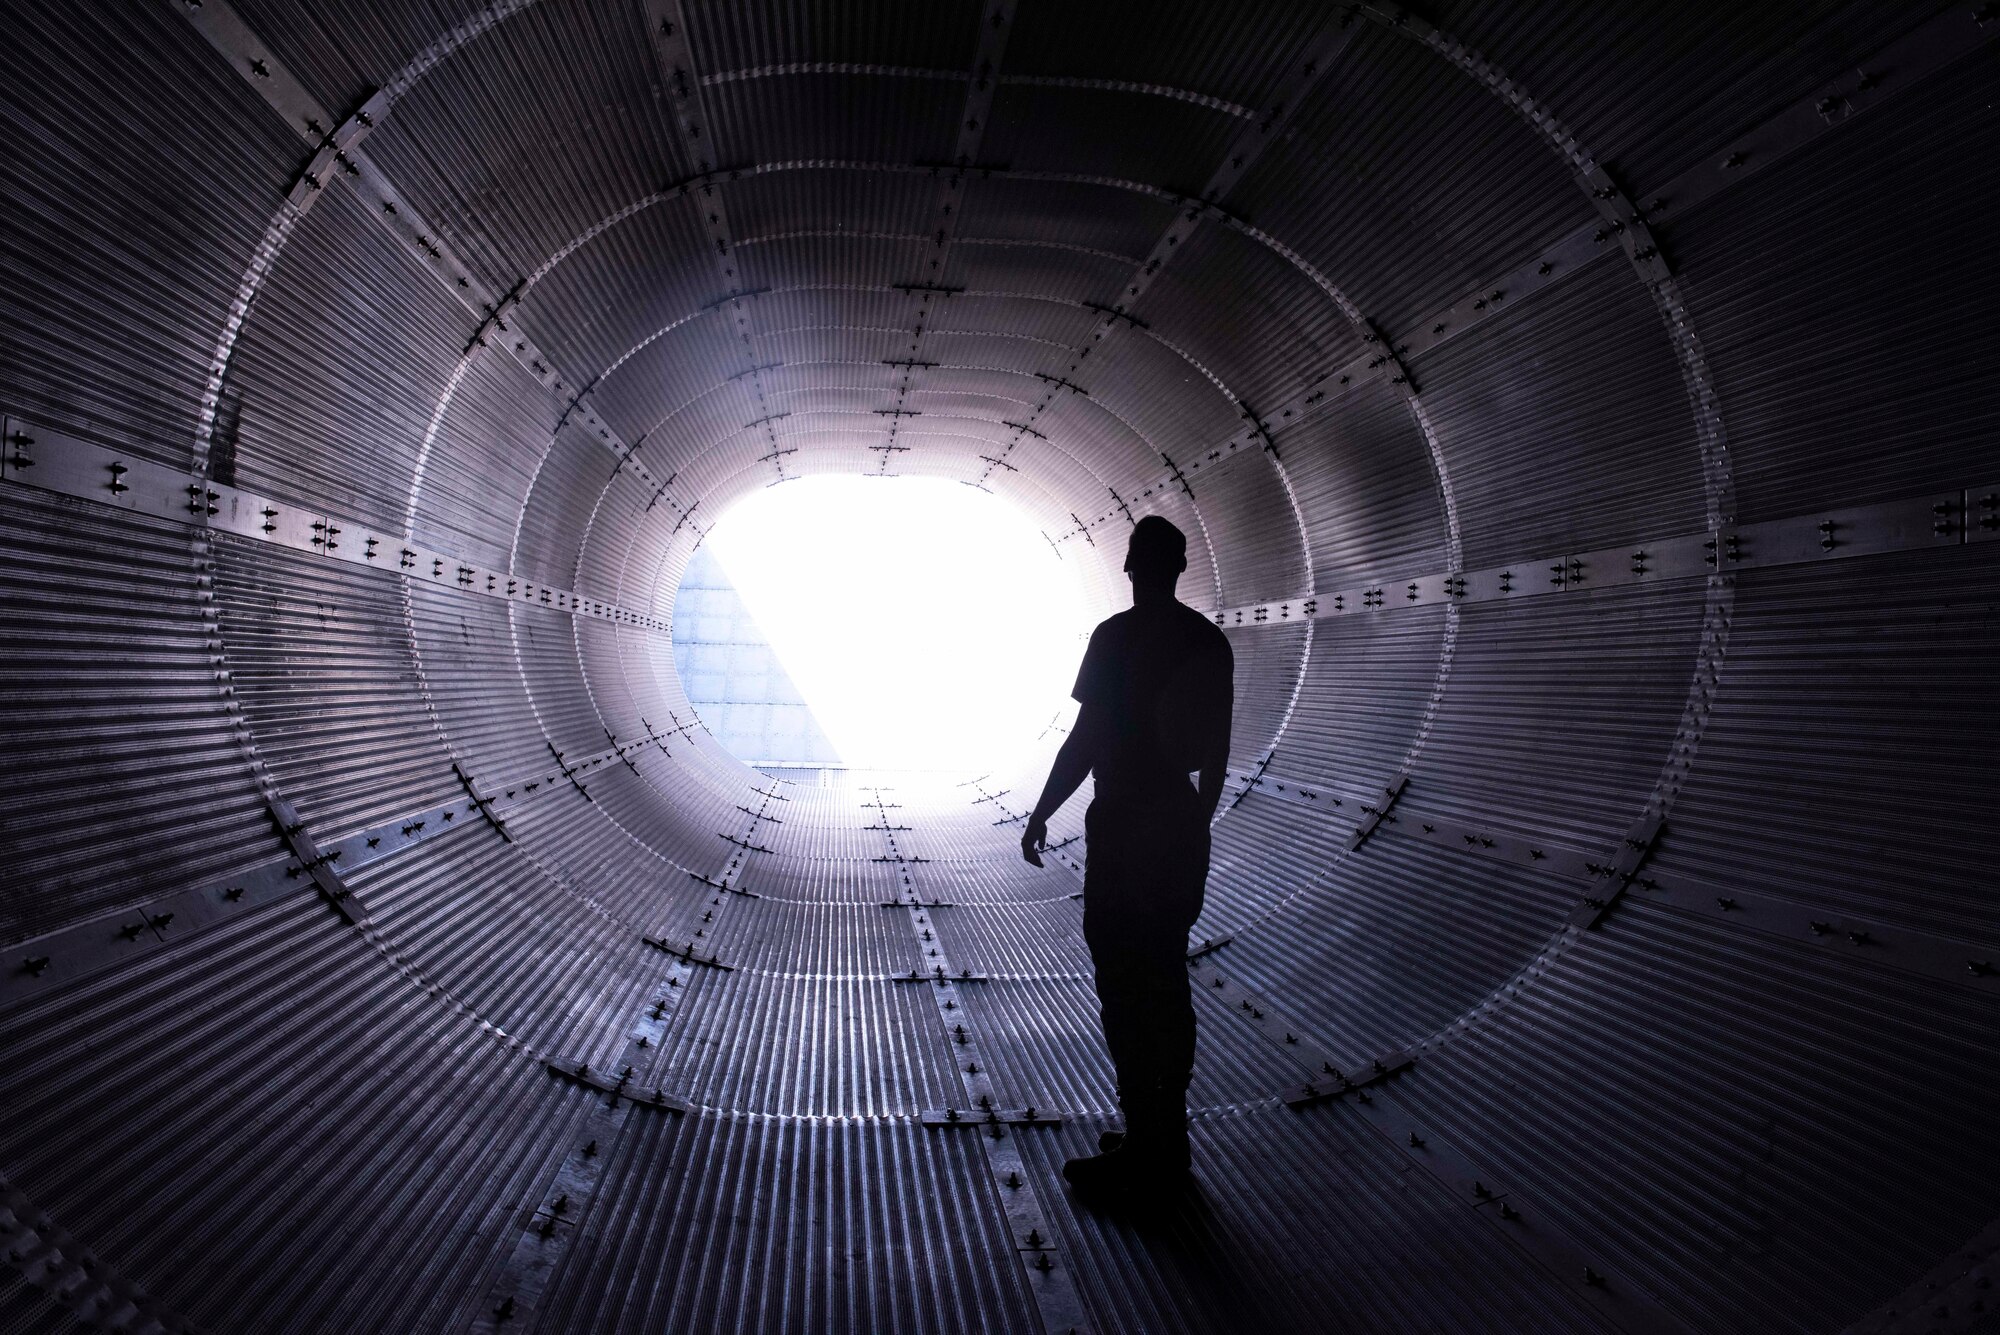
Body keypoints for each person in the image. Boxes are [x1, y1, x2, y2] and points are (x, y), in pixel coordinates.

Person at [1021, 514, 1233, 1202]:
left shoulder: (1115, 638)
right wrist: (1193, 827)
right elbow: (1218, 754)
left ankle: (1149, 1148)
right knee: (1166, 981)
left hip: (1123, 829)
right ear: (1180, 567)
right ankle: (1160, 1134)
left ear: (1132, 568)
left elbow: (1086, 740)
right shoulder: (1208, 641)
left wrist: (1042, 810)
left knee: (1125, 984)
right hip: (1177, 827)